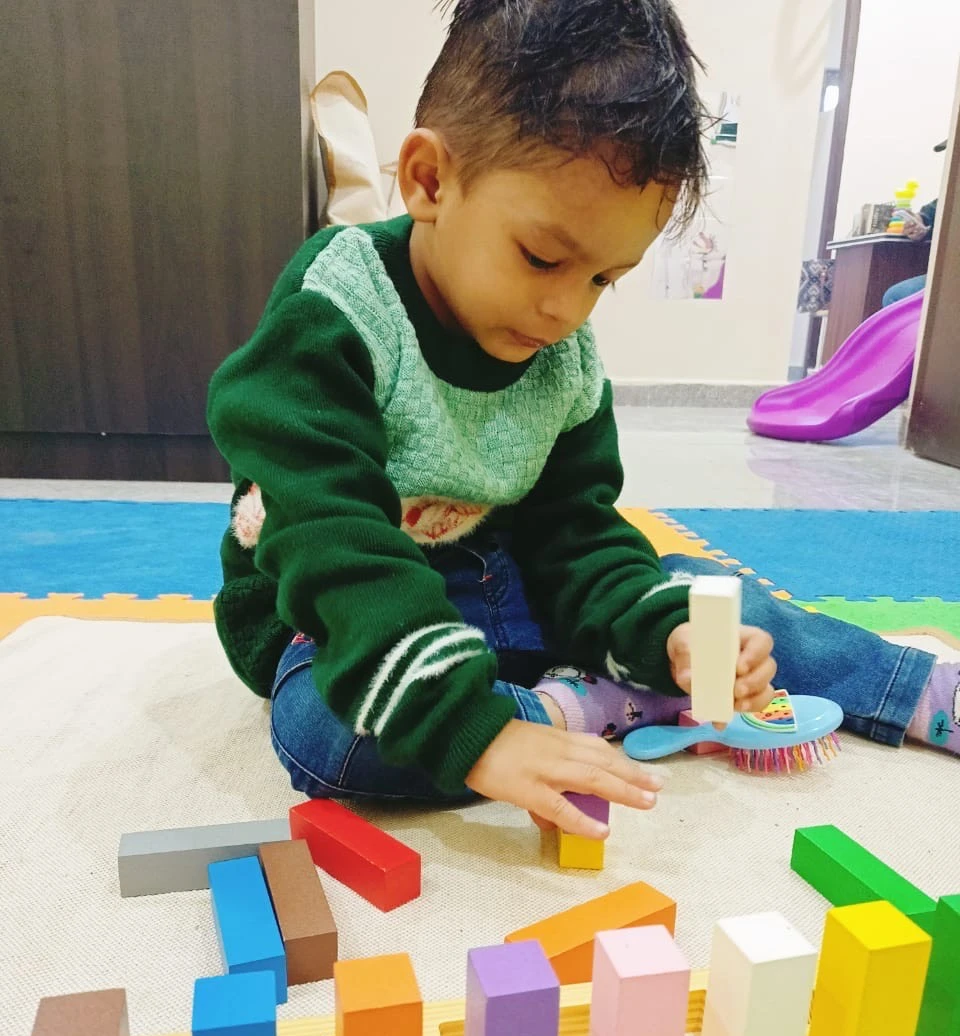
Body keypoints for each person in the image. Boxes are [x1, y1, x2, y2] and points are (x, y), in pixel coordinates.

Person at [208, 0, 959, 842]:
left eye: (605, 278)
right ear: (428, 181)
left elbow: (577, 537)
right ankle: (581, 705)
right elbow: (330, 536)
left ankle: (920, 689)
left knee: (713, 603)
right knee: (325, 739)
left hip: (504, 586)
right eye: (542, 257)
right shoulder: (336, 312)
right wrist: (480, 736)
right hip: (340, 609)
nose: (567, 308)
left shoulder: (563, 358)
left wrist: (668, 633)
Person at [882, 139, 945, 306]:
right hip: (948, 274)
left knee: (895, 297)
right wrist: (918, 225)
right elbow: (929, 215)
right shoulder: (952, 192)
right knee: (896, 296)